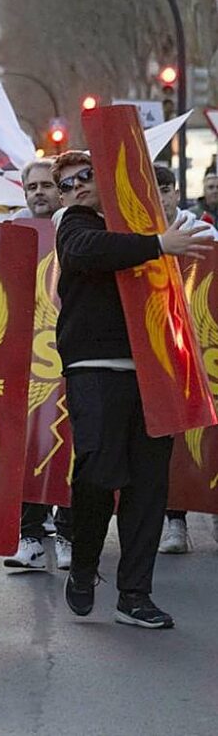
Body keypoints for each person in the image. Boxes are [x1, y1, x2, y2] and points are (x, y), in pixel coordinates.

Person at [53, 150, 212, 629]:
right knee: (98, 471)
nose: (77, 187)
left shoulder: (151, 220)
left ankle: (135, 594)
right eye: (66, 184)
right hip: (94, 366)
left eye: (86, 175)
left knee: (148, 485)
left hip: (155, 369)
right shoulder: (75, 223)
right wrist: (158, 244)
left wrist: (164, 235)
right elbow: (87, 251)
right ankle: (84, 565)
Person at [4, 158, 73, 571]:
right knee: (27, 448)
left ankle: (68, 535)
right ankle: (29, 537)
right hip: (26, 360)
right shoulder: (13, 235)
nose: (40, 193)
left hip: (71, 354)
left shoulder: (81, 230)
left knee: (70, 447)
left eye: (48, 185)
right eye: (33, 187)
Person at [154, 164, 218, 555]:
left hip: (202, 344)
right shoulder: (141, 235)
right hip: (159, 348)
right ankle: (174, 521)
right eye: (153, 190)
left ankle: (213, 507)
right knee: (169, 434)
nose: (160, 197)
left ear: (176, 193)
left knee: (208, 429)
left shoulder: (205, 234)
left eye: (165, 190)